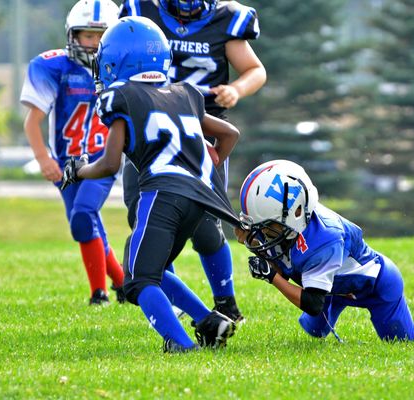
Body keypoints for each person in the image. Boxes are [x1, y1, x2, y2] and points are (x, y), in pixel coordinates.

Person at [61, 16, 242, 352]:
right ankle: (208, 320)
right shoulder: (184, 92)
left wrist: (79, 170)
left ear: (117, 61)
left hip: (162, 192)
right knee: (143, 264)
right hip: (201, 197)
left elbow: (110, 163)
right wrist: (214, 158)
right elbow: (229, 133)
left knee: (139, 279)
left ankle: (182, 346)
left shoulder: (122, 96)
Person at [118, 0, 267, 323]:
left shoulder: (227, 19)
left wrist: (236, 90)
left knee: (205, 226)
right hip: (149, 129)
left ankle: (225, 303)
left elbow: (255, 70)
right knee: (146, 223)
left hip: (202, 130)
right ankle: (168, 302)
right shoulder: (144, 11)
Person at [235, 159, 414, 341]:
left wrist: (272, 277)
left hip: (375, 286)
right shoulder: (298, 222)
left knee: (410, 341)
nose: (265, 234)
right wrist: (255, 243)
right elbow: (288, 262)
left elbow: (312, 302)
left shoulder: (325, 241)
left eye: (269, 227)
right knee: (314, 332)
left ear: (296, 211)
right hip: (336, 288)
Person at [20, 0, 125, 305]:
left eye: (100, 35)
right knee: (85, 222)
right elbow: (33, 121)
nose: (93, 43)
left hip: (102, 160)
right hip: (65, 162)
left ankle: (99, 293)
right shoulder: (54, 67)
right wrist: (43, 159)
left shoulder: (121, 69)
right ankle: (122, 282)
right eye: (87, 35)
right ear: (72, 35)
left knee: (83, 216)